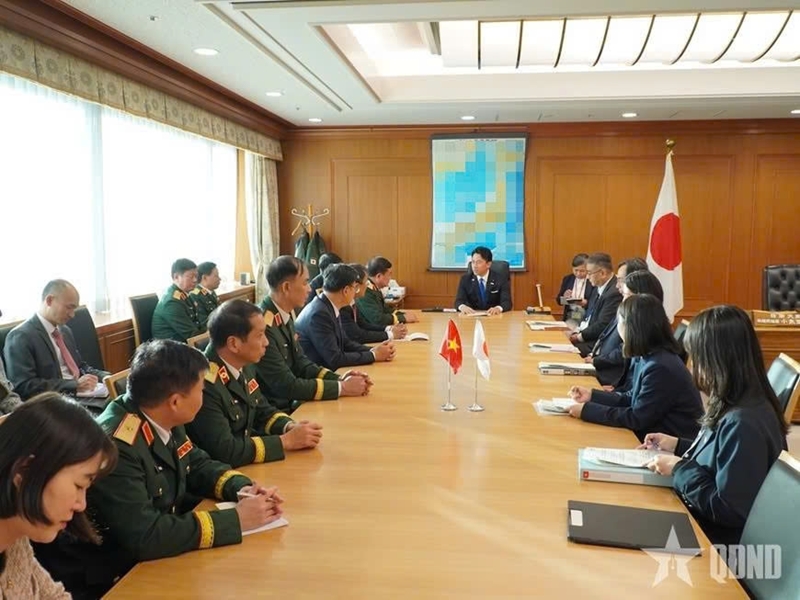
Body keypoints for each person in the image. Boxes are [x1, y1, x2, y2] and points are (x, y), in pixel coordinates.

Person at [35, 340, 284, 597]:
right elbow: (145, 535)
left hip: (153, 557)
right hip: (115, 576)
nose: (204, 394)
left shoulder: (159, 414)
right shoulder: (117, 445)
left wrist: (242, 488)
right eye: (201, 389)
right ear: (175, 401)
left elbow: (196, 463)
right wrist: (236, 520)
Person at [643, 305, 788, 548]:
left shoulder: (744, 423)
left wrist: (679, 468)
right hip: (701, 523)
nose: (692, 368)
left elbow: (728, 509)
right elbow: (722, 459)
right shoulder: (736, 400)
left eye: (696, 359)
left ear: (716, 361)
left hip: (716, 543)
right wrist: (677, 446)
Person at [0, 393, 117, 599]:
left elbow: (54, 596)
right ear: (25, 471)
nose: (81, 504)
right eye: (78, 485)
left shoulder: (16, 538)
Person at [186, 299, 323, 467]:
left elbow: (261, 409)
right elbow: (225, 450)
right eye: (260, 335)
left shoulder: (245, 364)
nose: (266, 342)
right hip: (228, 470)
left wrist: (289, 427)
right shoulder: (204, 384)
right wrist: (285, 441)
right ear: (234, 344)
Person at [567, 294, 703, 441]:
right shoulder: (647, 355)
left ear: (630, 326)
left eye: (619, 321)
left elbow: (637, 418)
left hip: (667, 445)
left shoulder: (660, 367)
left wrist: (587, 411)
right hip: (651, 436)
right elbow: (631, 398)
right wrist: (592, 396)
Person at [256, 256, 371, 413]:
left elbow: (302, 363)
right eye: (305, 283)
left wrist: (339, 379)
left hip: (292, 402)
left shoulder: (283, 314)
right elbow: (285, 385)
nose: (310, 289)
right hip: (276, 410)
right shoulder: (262, 326)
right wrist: (342, 387)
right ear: (286, 287)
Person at [4, 280, 109, 401]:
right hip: (53, 402)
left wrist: (105, 377)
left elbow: (80, 366)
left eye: (74, 309)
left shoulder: (65, 331)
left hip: (81, 395)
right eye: (69, 307)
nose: (72, 315)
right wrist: (73, 385)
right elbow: (24, 386)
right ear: (49, 300)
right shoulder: (20, 337)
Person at [296, 264, 395, 371]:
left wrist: (373, 350)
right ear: (346, 290)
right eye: (355, 287)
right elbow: (335, 359)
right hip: (317, 373)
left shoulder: (328, 305)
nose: (356, 291)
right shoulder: (319, 314)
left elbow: (345, 343)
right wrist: (374, 355)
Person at [591, 270, 664, 391]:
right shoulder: (639, 342)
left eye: (626, 295)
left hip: (611, 373)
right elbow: (631, 389)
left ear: (641, 298)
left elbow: (636, 399)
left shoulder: (654, 360)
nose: (623, 300)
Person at [584, 261, 653, 384]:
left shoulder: (641, 315)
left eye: (620, 280)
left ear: (634, 281)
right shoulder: (625, 305)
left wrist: (597, 361)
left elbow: (626, 348)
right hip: (604, 366)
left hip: (613, 374)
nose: (617, 286)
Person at [568, 252, 622, 355]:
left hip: (596, 344)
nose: (587, 277)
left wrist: (579, 337)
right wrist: (576, 331)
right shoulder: (598, 286)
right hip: (586, 335)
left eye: (589, 273)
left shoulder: (614, 293)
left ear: (602, 273)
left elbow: (603, 324)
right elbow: (589, 316)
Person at [342, 263, 407, 344]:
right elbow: (357, 335)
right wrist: (390, 335)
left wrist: (389, 328)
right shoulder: (343, 306)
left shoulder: (352, 302)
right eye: (366, 282)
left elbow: (363, 325)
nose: (367, 285)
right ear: (356, 287)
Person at [354, 256, 418, 326]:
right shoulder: (365, 291)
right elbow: (377, 319)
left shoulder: (375, 288)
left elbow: (385, 309)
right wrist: (402, 318)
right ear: (378, 276)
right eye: (389, 274)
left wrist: (402, 314)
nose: (390, 278)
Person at [152, 258, 204, 343]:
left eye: (196, 276)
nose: (195, 280)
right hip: (170, 348)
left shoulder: (184, 295)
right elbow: (192, 335)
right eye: (191, 277)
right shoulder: (172, 302)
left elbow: (198, 324)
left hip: (183, 343)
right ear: (176, 277)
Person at [455, 246, 512, 315]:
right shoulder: (465, 279)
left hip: (494, 317)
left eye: (478, 262)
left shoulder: (500, 279)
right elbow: (458, 301)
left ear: (488, 264)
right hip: (472, 317)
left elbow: (507, 302)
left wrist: (498, 308)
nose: (475, 266)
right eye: (473, 262)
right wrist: (462, 307)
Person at [555, 253, 594, 320]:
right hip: (569, 315)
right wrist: (564, 298)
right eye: (576, 270)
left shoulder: (592, 280)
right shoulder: (568, 279)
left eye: (582, 271)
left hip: (586, 316)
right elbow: (559, 301)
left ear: (588, 269)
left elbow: (596, 303)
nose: (578, 273)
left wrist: (586, 303)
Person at [190, 261, 221, 329]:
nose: (219, 279)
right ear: (204, 278)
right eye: (216, 276)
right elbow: (204, 323)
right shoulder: (195, 296)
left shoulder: (210, 291)